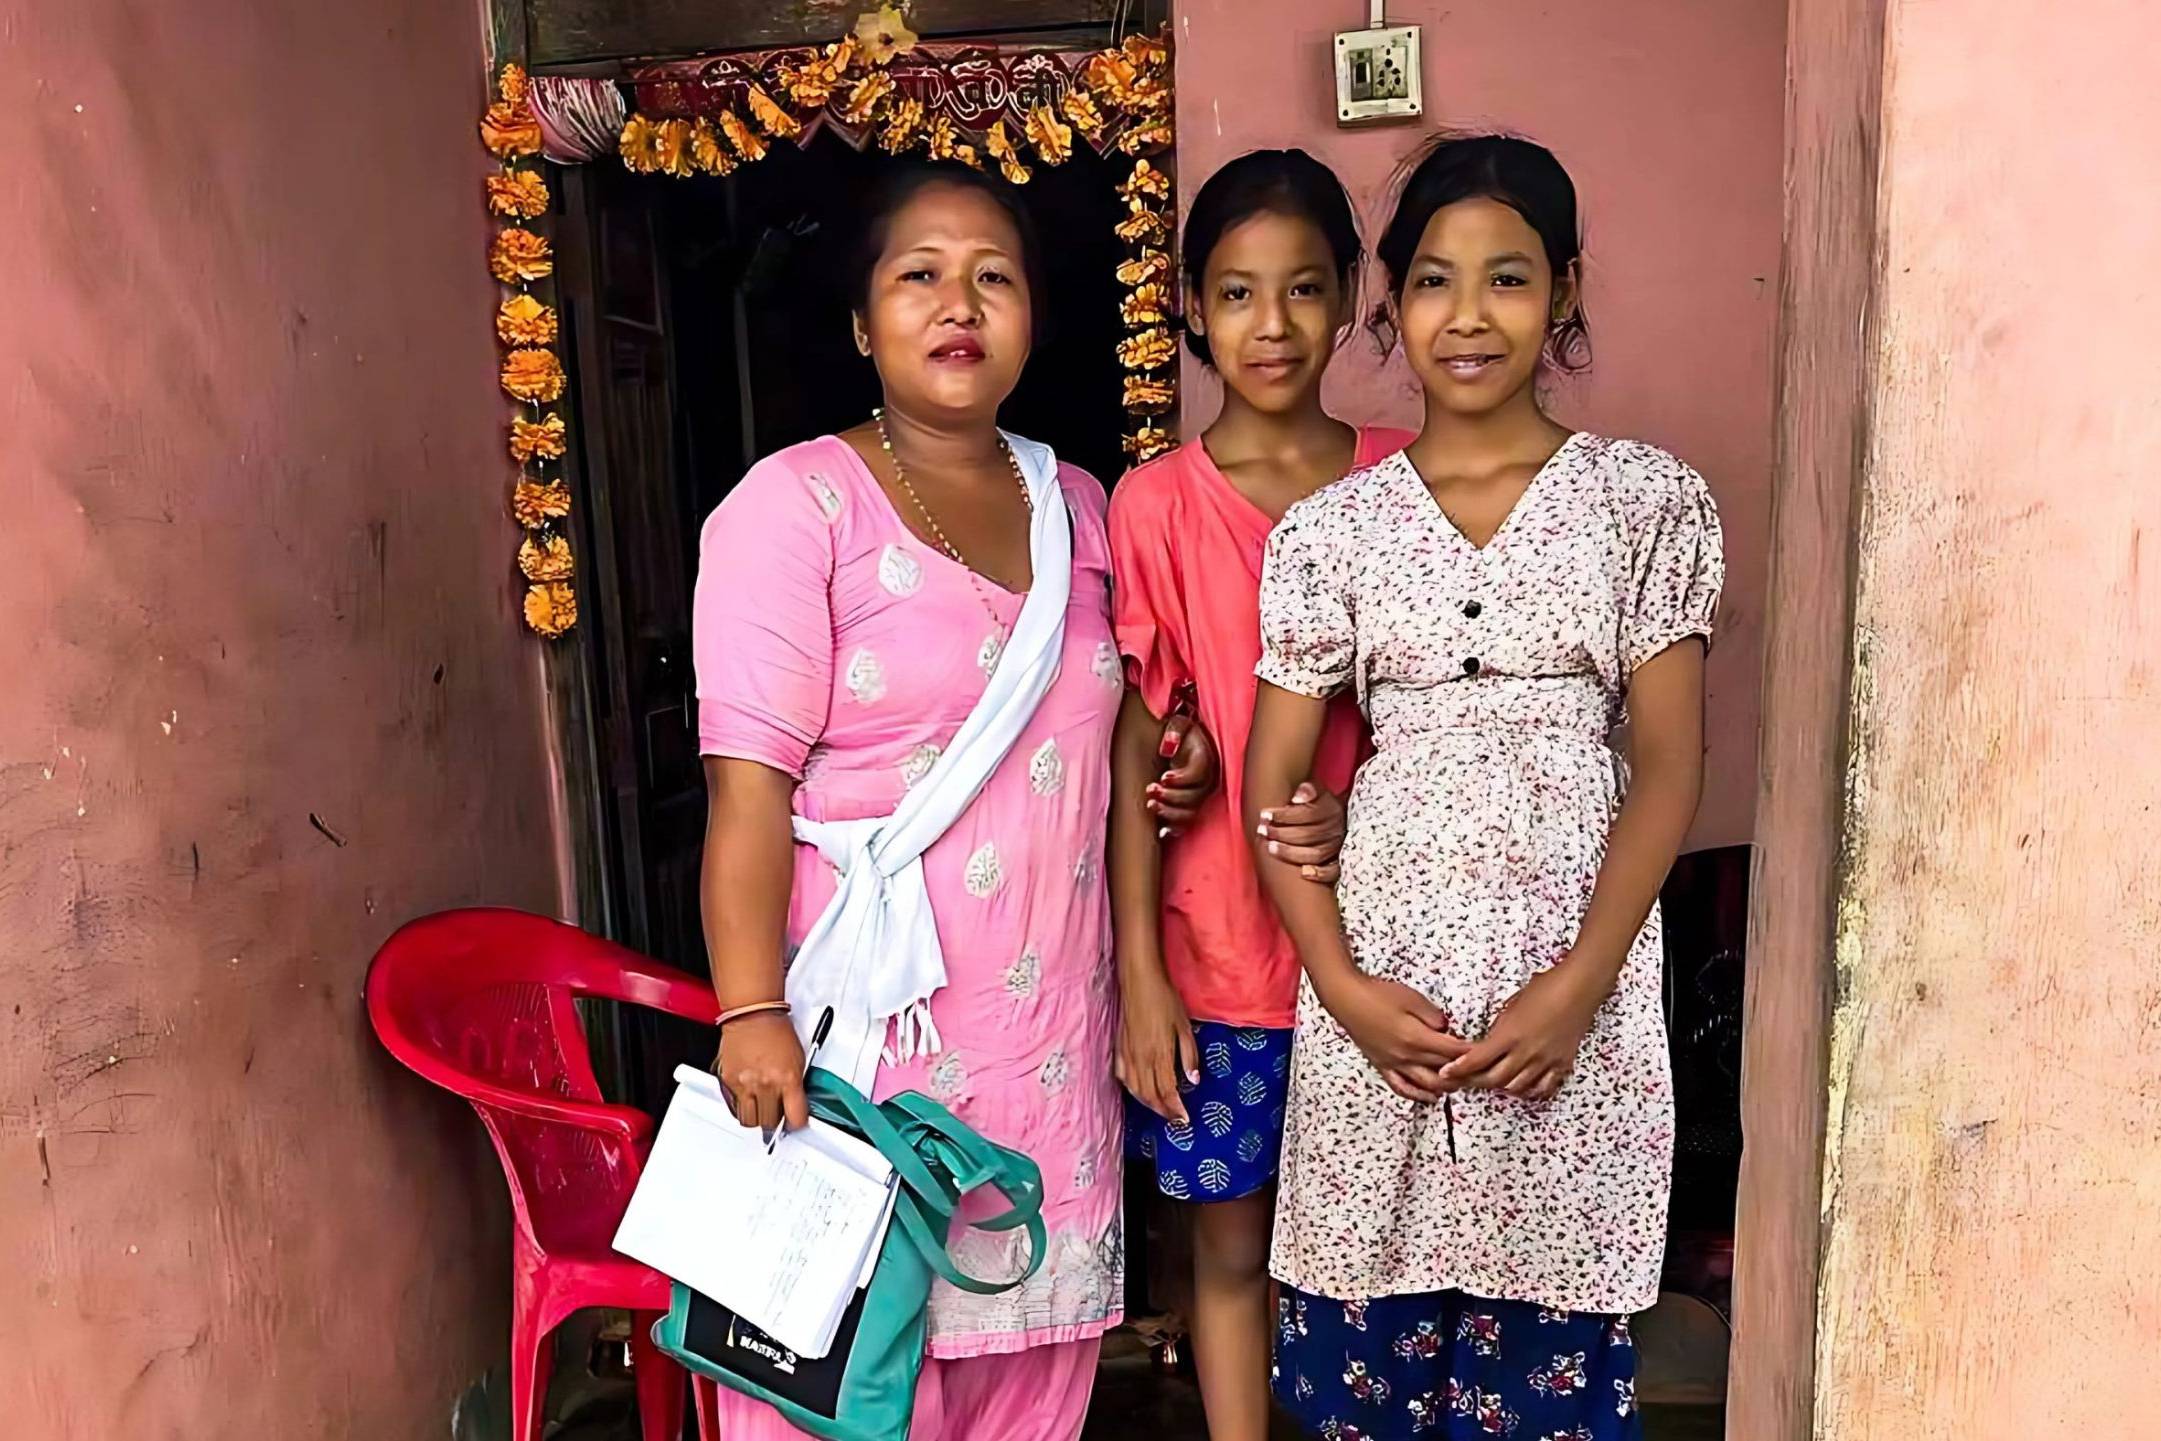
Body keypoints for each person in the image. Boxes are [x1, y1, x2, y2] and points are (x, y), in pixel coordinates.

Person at [691, 160, 1219, 1441]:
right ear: (864, 323)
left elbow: (1097, 741)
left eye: (993, 275)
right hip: (862, 1053)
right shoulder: (792, 504)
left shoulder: (1080, 505)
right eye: (918, 274)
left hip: (1046, 1044)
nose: (957, 301)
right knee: (845, 1379)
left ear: (1034, 316)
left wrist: (1175, 766)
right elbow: (747, 792)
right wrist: (750, 1007)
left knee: (1027, 1387)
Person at [1245, 134, 1726, 1441]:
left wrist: (1579, 987)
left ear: (1564, 290)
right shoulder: (1330, 533)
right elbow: (1271, 785)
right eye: (1435, 281)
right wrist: (1338, 985)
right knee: (1370, 1378)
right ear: (1391, 301)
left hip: (1567, 988)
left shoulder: (1643, 502)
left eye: (1507, 279)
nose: (1468, 316)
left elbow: (1669, 769)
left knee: (1548, 1369)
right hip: (1381, 995)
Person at [1107, 148, 1409, 1441]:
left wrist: (1373, 811)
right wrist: (1140, 974)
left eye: (1300, 290)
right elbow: (1140, 747)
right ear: (1189, 306)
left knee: (1376, 1274)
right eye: (1236, 293)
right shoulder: (1157, 506)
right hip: (1219, 958)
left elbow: (1457, 719)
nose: (1269, 326)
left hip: (1394, 959)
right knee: (1227, 1260)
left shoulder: (1410, 480)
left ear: (1348, 299)